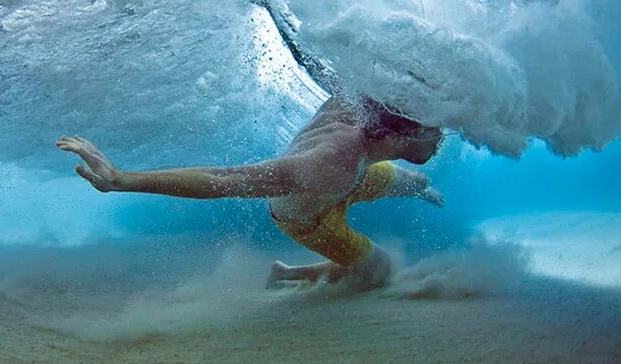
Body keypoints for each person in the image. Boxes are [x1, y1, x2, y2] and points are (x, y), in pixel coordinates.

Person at [56, 97, 444, 291]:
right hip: (310, 216)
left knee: (413, 182)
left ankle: (421, 189)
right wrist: (125, 180)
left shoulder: (361, 106)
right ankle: (289, 274)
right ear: (397, 134)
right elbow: (223, 180)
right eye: (433, 129)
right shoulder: (329, 164)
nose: (440, 135)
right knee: (380, 271)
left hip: (355, 177)